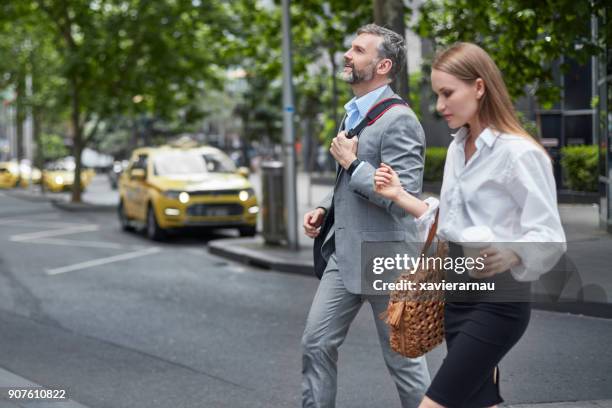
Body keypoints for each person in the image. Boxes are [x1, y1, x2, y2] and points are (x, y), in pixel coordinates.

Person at [373, 42, 566, 407]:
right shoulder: (457, 149)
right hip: (456, 294)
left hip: (499, 301)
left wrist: (512, 253)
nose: (440, 105)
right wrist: (399, 195)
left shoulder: (518, 154)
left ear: (479, 87)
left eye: (448, 93)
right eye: (437, 94)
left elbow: (549, 235)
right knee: (479, 402)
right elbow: (449, 223)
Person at [301, 24, 431, 408]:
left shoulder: (400, 120)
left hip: (388, 260)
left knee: (404, 363)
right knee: (315, 343)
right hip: (345, 256)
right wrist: (324, 208)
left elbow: (402, 195)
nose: (348, 55)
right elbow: (347, 179)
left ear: (382, 65)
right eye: (351, 48)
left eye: (358, 50)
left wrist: (353, 162)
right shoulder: (353, 115)